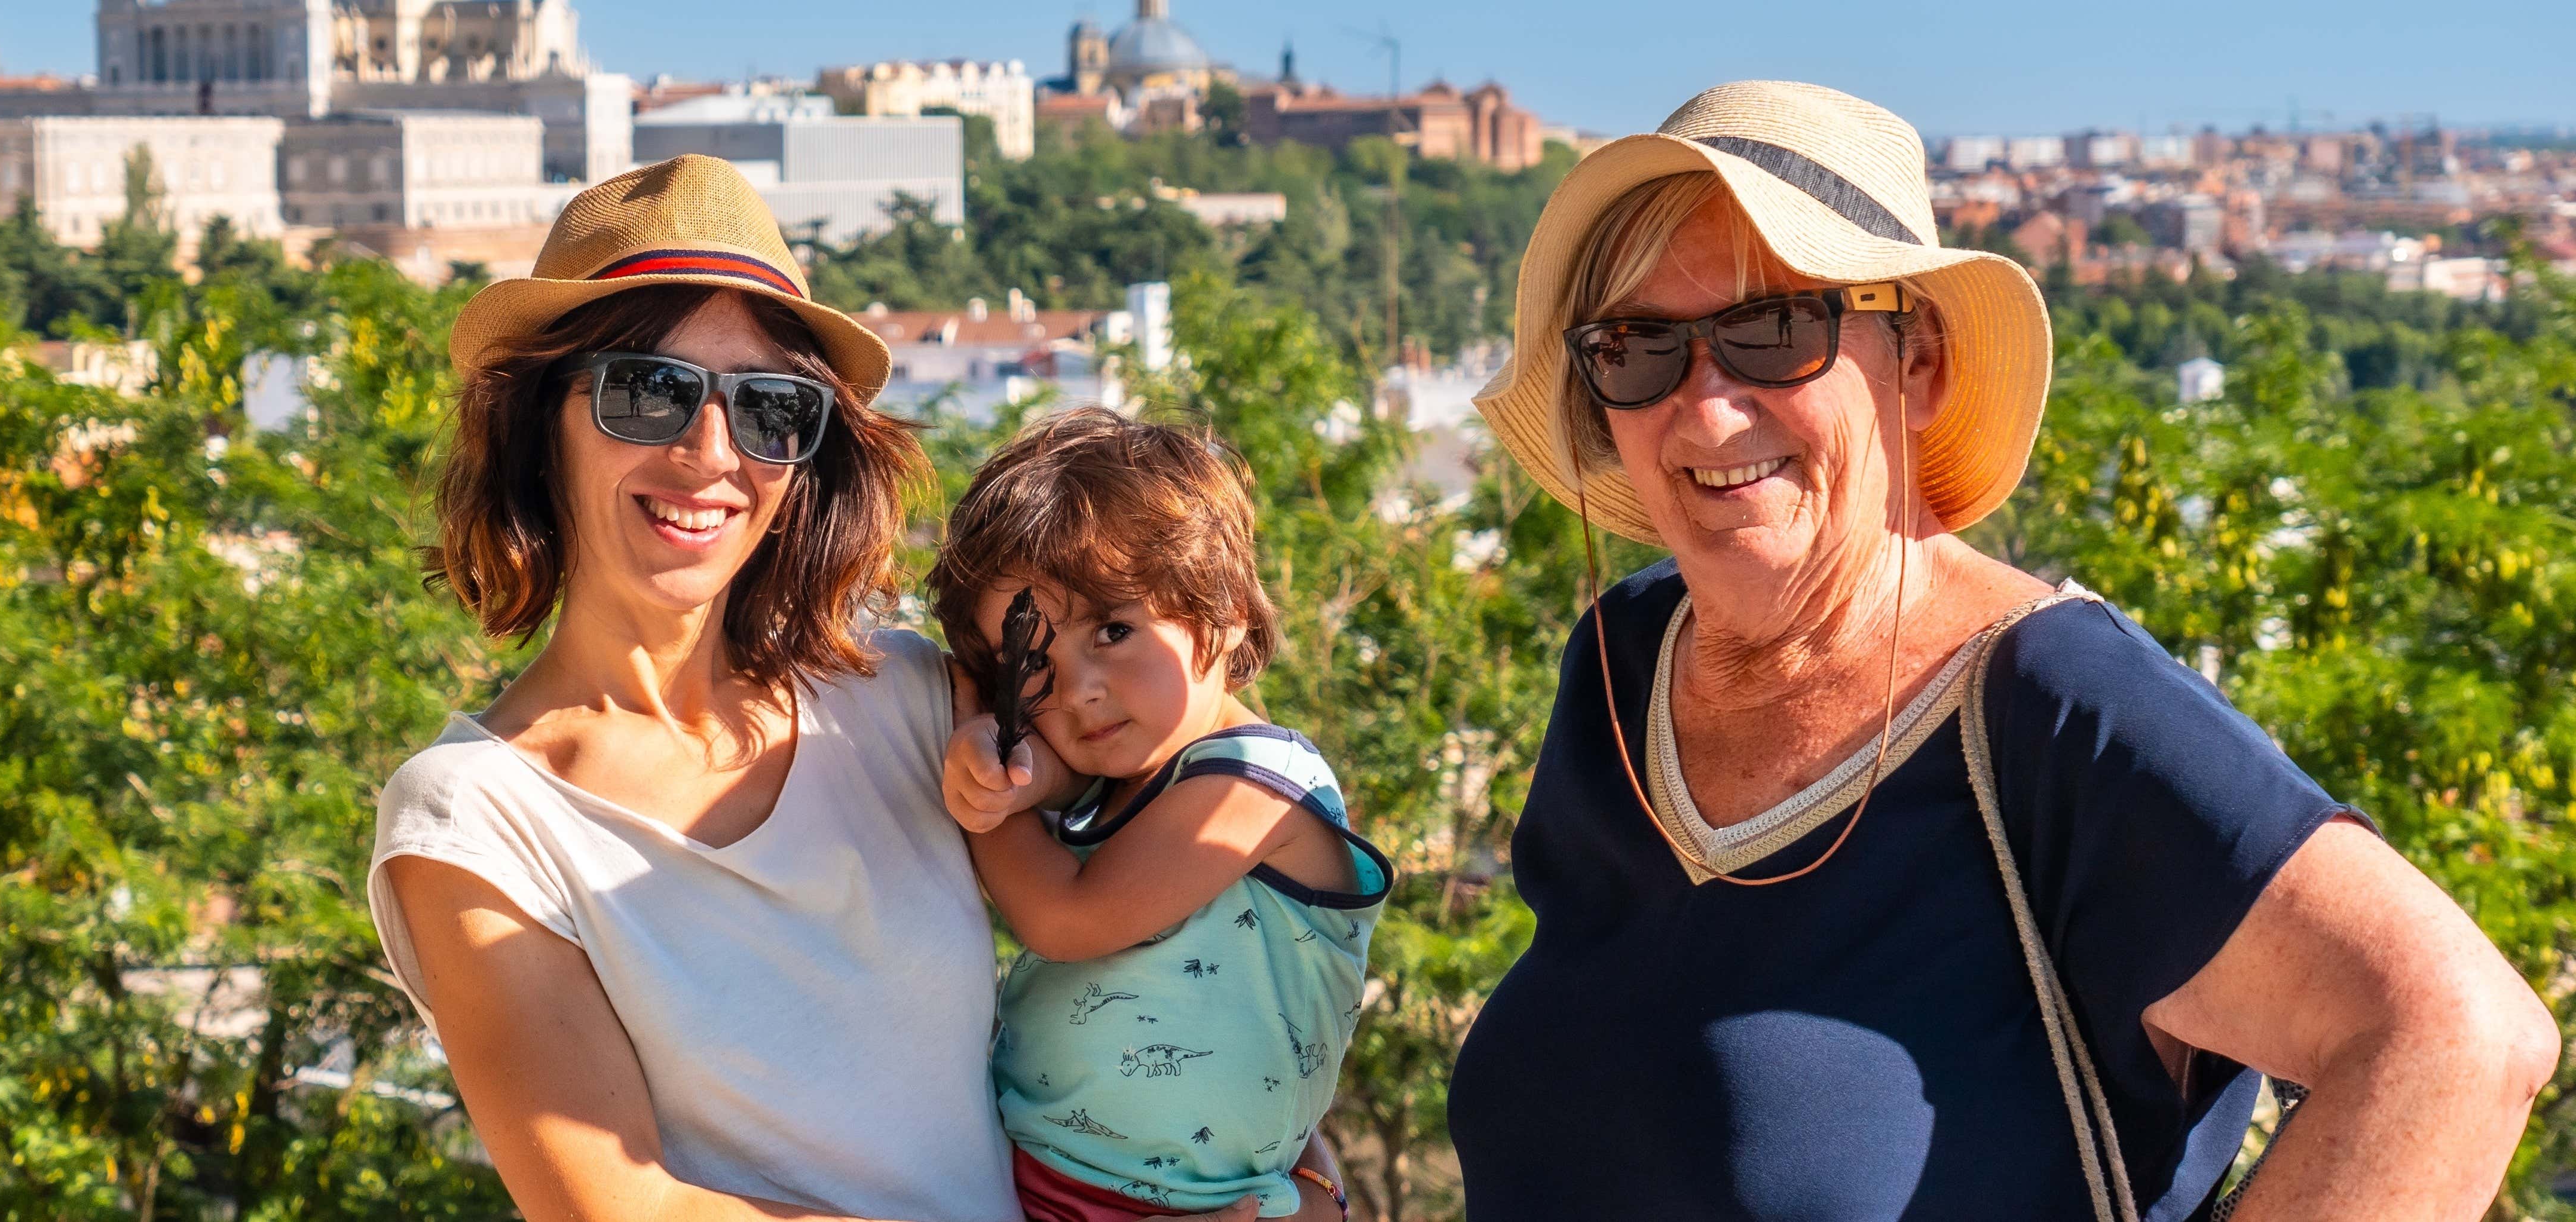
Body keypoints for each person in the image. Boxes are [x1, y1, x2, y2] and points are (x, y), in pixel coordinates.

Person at [1446, 81, 2557, 1220]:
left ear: (1915, 361)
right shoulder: (1626, 663)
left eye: (1774, 332)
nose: (1708, 408)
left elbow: (2459, 1038)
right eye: (1639, 349)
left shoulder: (2053, 706)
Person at [366, 155, 1332, 1222]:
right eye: (649, 391)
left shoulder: (908, 694)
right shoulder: (476, 819)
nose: (710, 450)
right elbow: (621, 1208)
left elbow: (1209, 935)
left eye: (771, 408)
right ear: (540, 418)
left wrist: (1294, 1181)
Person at [935, 412, 1390, 1221]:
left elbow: (1065, 919)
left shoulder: (1260, 781)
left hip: (1191, 1205)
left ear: (1224, 612)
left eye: (1114, 629)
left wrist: (986, 810)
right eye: (1030, 664)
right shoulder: (1123, 771)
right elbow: (1053, 769)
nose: (1079, 690)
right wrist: (1000, 760)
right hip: (1033, 1174)